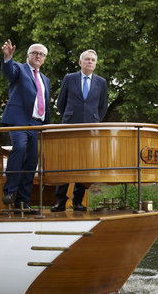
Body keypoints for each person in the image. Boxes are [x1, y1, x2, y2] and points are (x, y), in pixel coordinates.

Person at [52, 49, 108, 212]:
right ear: (80, 62)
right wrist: (70, 117)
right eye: (87, 59)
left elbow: (102, 106)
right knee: (65, 164)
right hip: (69, 127)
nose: (90, 62)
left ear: (95, 64)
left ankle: (78, 201)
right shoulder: (69, 78)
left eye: (93, 60)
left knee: (85, 164)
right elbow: (60, 103)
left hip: (90, 129)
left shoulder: (101, 82)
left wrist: (94, 119)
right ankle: (61, 201)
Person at [0, 39, 51, 213]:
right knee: (20, 148)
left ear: (44, 59)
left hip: (36, 124)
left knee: (31, 161)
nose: (38, 56)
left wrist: (47, 127)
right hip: (19, 120)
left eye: (41, 54)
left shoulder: (46, 79)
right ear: (28, 55)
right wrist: (8, 58)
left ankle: (23, 201)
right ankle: (10, 192)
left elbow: (45, 104)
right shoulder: (19, 69)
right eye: (34, 53)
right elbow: (8, 72)